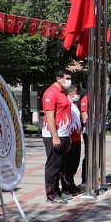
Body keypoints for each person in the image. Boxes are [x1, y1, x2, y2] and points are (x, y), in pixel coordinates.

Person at [42, 70, 73, 204]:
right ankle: (51, 194)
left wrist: (68, 136)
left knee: (60, 166)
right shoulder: (51, 93)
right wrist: (55, 136)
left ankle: (57, 191)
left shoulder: (62, 93)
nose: (69, 81)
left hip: (64, 134)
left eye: (70, 78)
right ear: (58, 78)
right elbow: (49, 116)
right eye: (67, 78)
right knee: (53, 165)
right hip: (54, 135)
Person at [61, 85, 82, 196]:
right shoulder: (66, 103)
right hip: (70, 137)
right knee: (68, 163)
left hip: (77, 137)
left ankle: (71, 183)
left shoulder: (74, 104)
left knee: (75, 163)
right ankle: (66, 186)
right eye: (76, 92)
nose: (78, 95)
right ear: (70, 92)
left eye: (78, 92)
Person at [79, 92, 89, 190]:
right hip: (89, 131)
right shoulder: (86, 99)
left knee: (97, 156)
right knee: (88, 155)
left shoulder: (98, 99)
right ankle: (85, 179)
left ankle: (94, 176)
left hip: (97, 130)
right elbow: (84, 114)